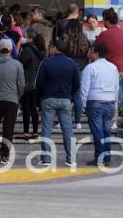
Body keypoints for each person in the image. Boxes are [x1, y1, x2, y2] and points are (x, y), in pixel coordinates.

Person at [36, 39, 81, 167]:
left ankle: (46, 158)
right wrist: (70, 95)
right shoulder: (72, 64)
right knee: (67, 129)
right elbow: (77, 84)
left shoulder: (46, 63)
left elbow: (38, 83)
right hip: (65, 99)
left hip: (48, 98)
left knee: (46, 128)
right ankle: (71, 159)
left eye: (51, 47)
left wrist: (44, 92)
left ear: (54, 48)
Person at [80, 44, 119, 167]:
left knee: (97, 132)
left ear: (96, 53)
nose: (89, 54)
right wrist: (116, 107)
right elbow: (116, 88)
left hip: (95, 103)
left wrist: (82, 105)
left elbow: (84, 89)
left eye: (91, 51)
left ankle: (100, 157)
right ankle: (106, 157)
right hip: (110, 103)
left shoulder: (90, 68)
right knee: (106, 131)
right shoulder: (113, 67)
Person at [61, 19, 90, 129]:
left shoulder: (65, 39)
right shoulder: (85, 40)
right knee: (77, 95)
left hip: (67, 68)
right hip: (81, 70)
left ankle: (64, 120)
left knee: (66, 94)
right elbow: (88, 54)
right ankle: (78, 122)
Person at [18, 30, 46, 139]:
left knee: (26, 108)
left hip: (26, 82)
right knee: (33, 108)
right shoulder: (39, 51)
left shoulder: (27, 50)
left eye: (25, 36)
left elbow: (21, 65)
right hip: (35, 84)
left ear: (30, 39)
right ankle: (35, 130)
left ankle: (26, 131)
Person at [94, 8, 123, 75]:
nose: (103, 21)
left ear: (107, 21)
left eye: (103, 19)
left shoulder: (104, 34)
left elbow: (94, 49)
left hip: (111, 70)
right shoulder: (122, 32)